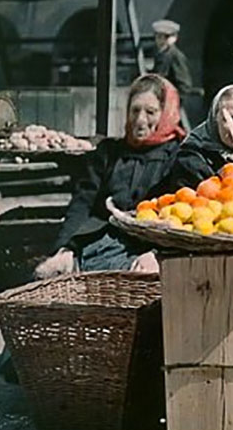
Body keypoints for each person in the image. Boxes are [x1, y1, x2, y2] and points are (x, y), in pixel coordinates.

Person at [34, 74, 185, 278]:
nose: (140, 120)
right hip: (96, 244)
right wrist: (65, 248)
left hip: (146, 251)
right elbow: (82, 203)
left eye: (150, 112)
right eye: (135, 110)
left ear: (166, 113)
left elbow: (181, 215)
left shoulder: (179, 157)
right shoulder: (109, 153)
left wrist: (158, 255)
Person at [162, 84, 233, 188]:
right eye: (232, 119)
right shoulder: (192, 156)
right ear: (216, 120)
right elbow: (192, 198)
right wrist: (221, 177)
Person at [152, 19, 192, 95]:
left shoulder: (175, 56)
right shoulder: (161, 55)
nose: (161, 41)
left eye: (166, 37)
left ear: (174, 38)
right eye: (159, 37)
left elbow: (184, 84)